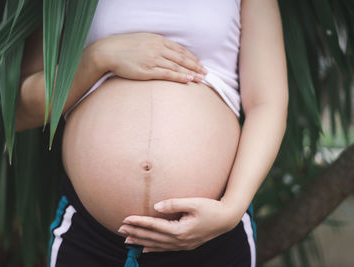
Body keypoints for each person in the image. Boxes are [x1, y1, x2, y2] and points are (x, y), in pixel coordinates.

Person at [16, 0, 288, 266]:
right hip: (92, 237)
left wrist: (230, 210)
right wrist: (98, 57)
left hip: (213, 234)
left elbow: (267, 103)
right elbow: (19, 111)